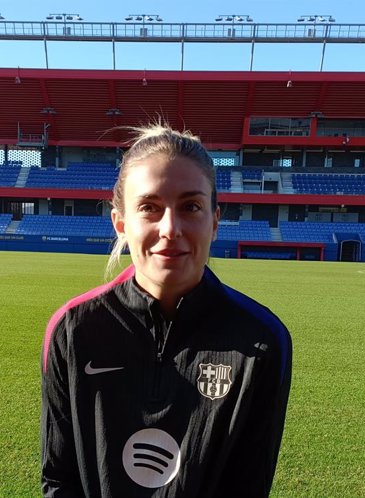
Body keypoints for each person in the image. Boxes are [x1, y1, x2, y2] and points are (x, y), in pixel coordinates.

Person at [41, 124, 292, 497]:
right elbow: (60, 479)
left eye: (191, 206)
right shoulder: (73, 329)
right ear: (121, 223)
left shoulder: (262, 340)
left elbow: (248, 485)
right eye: (150, 208)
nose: (171, 228)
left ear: (215, 221)